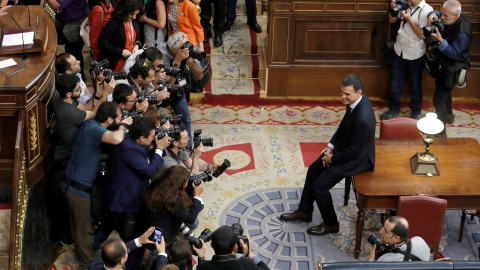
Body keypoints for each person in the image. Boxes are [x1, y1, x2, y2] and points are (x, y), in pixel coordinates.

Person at [279, 74, 376, 236]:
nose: (343, 97)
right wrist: (331, 146)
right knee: (314, 169)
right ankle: (305, 212)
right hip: (344, 150)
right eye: (341, 92)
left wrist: (333, 159)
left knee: (319, 187)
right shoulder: (355, 101)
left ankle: (331, 224)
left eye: (347, 94)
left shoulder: (363, 118)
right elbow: (344, 125)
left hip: (356, 160)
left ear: (359, 92)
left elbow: (355, 152)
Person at [62, 102, 132, 269]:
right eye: (119, 118)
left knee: (78, 228)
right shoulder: (94, 129)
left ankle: (83, 257)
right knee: (84, 231)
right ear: (109, 119)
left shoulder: (90, 124)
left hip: (70, 185)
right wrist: (122, 126)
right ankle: (88, 265)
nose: (122, 120)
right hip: (78, 190)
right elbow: (116, 138)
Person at [48, 74, 115, 247]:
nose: (81, 90)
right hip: (63, 162)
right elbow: (93, 114)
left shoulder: (64, 101)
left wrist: (98, 94)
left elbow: (85, 107)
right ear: (69, 94)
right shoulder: (67, 111)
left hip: (68, 155)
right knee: (64, 207)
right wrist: (106, 93)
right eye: (78, 89)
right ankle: (64, 238)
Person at [102, 117, 170, 241]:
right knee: (126, 233)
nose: (153, 138)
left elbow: (146, 156)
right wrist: (159, 149)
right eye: (152, 136)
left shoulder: (133, 140)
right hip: (125, 198)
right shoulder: (129, 149)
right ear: (142, 138)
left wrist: (159, 146)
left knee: (110, 226)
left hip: (128, 192)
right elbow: (150, 171)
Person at [380, 0, 433, 121]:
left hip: (415, 54)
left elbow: (422, 35)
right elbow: (391, 20)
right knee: (395, 85)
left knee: (415, 86)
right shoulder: (405, 4)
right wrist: (393, 8)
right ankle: (394, 109)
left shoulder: (426, 10)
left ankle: (416, 111)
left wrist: (408, 18)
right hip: (399, 50)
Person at [427, 0, 471, 136]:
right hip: (444, 64)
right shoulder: (453, 15)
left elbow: (453, 54)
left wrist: (440, 40)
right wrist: (433, 13)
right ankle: (449, 115)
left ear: (456, 16)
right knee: (445, 90)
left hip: (454, 67)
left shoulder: (463, 32)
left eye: (445, 16)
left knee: (439, 99)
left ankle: (441, 133)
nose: (442, 18)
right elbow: (438, 13)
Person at [138, 165, 205, 243]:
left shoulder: (158, 184)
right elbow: (190, 219)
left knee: (198, 205)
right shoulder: (173, 199)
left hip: (146, 221)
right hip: (159, 234)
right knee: (194, 219)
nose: (187, 183)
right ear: (180, 184)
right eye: (186, 181)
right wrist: (197, 195)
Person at [89, 227, 168, 269]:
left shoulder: (94, 265)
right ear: (121, 260)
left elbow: (119, 250)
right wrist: (162, 254)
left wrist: (139, 241)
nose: (127, 249)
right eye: (126, 251)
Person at [195, 225, 270, 270]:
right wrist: (250, 254)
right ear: (235, 247)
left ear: (211, 245)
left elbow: (203, 267)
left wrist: (201, 257)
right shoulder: (244, 264)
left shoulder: (202, 266)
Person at [98, 0, 143, 72]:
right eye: (132, 14)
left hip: (131, 62)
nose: (134, 17)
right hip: (117, 62)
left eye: (136, 14)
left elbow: (138, 36)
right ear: (124, 12)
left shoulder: (134, 20)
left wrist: (137, 44)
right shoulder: (114, 23)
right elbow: (102, 43)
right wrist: (120, 51)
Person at [49, 0, 89, 79]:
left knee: (74, 52)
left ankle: (78, 78)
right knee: (73, 51)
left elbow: (55, 4)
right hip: (77, 18)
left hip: (74, 24)